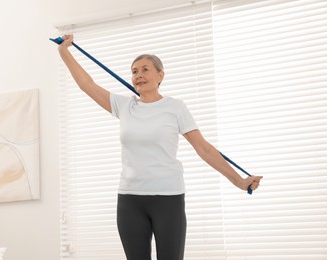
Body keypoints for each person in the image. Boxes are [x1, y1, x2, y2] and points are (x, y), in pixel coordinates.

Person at [57, 34, 263, 260]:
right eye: (134, 71)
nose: (138, 75)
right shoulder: (124, 106)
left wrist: (239, 181)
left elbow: (203, 149)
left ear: (160, 75)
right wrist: (64, 51)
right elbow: (87, 84)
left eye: (145, 69)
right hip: (130, 199)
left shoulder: (175, 108)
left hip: (168, 198)